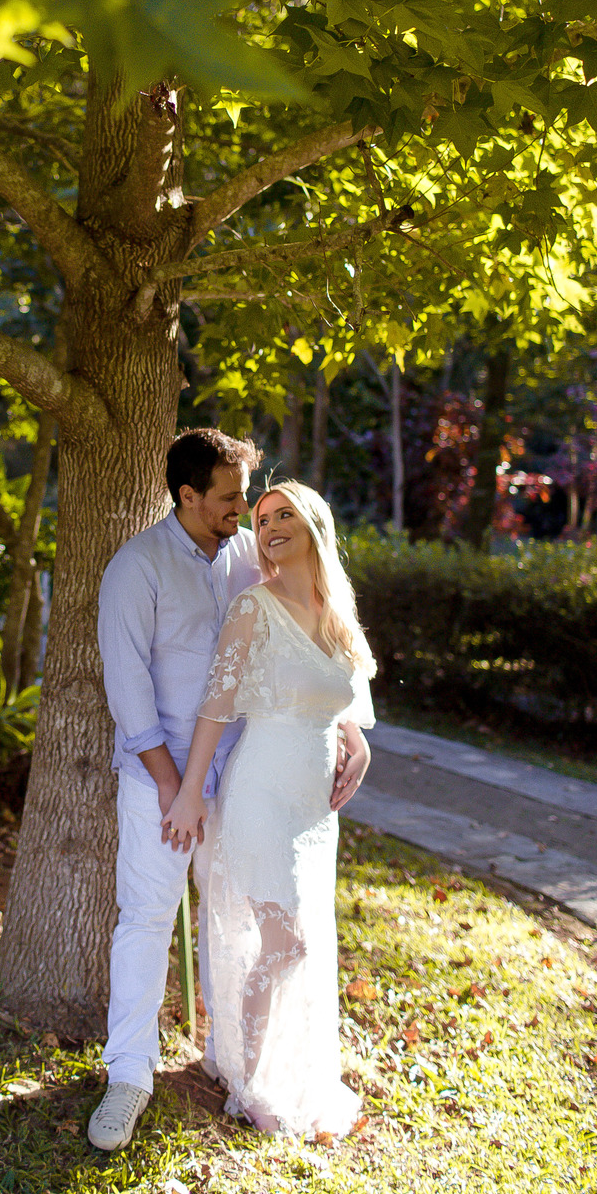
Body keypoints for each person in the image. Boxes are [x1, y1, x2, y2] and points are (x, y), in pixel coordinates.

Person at [162, 481, 374, 1136]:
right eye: (262, 517)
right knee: (286, 942)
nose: (271, 525)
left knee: (297, 943)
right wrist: (191, 790)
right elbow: (217, 705)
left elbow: (341, 700)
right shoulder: (255, 607)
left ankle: (285, 1070)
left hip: (316, 811)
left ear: (314, 523)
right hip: (259, 794)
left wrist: (357, 744)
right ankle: (253, 1086)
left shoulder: (335, 611)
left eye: (284, 514)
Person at [87, 428, 263, 1152]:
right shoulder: (137, 569)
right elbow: (129, 692)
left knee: (233, 917)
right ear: (187, 495)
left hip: (244, 775)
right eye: (228, 497)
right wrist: (172, 788)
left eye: (243, 493)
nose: (242, 508)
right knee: (147, 917)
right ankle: (129, 1074)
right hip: (160, 781)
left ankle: (231, 1062)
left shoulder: (249, 555)